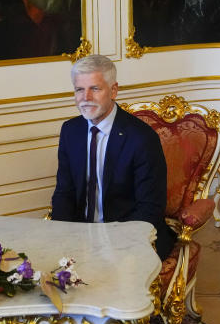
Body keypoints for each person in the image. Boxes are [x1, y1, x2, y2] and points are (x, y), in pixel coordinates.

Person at [50, 54, 175, 261]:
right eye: (79, 89)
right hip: (82, 236)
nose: (85, 97)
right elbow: (64, 193)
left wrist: (109, 246)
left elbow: (150, 207)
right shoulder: (70, 131)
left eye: (95, 89)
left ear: (114, 90)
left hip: (130, 237)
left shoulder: (142, 138)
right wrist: (64, 237)